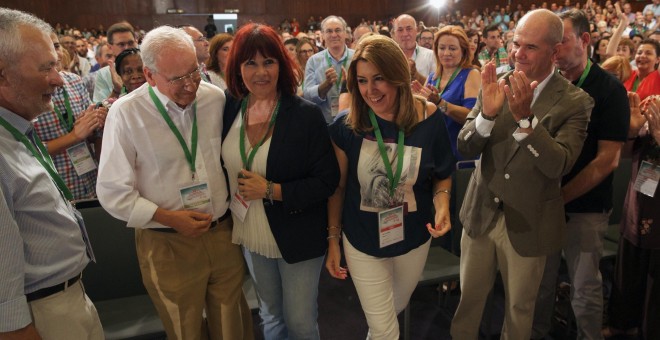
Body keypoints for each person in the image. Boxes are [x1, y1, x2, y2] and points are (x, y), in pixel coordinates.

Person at [96, 25, 253, 340]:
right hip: (166, 242)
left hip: (222, 232)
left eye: (193, 72)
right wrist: (169, 218)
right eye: (177, 78)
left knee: (233, 324)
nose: (190, 85)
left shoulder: (214, 98)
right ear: (150, 75)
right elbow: (113, 193)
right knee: (185, 329)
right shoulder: (126, 114)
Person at [451, 9, 594, 339]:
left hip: (530, 223)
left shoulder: (576, 102)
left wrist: (527, 121)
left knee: (519, 312)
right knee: (468, 303)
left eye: (530, 47)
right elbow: (465, 147)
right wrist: (486, 116)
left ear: (554, 51)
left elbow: (559, 164)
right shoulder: (497, 83)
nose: (517, 53)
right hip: (481, 214)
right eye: (516, 43)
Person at [326, 34, 455, 339]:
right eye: (361, 80)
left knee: (386, 318)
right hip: (363, 241)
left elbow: (442, 174)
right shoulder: (347, 126)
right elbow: (338, 189)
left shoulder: (429, 118)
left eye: (379, 78)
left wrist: (443, 206)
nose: (370, 90)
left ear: (398, 75)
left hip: (413, 237)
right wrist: (333, 239)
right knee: (386, 330)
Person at [222, 23, 339, 340]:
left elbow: (327, 181)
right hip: (250, 232)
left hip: (297, 234)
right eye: (250, 63)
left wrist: (272, 191)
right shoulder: (230, 107)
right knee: (271, 316)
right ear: (238, 68)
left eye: (268, 62)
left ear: (281, 64)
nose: (260, 72)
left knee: (300, 322)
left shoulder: (305, 115)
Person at [0, 7, 103, 339]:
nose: (59, 79)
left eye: (57, 65)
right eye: (46, 68)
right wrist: (16, 328)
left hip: (67, 297)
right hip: (38, 314)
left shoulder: (18, 130)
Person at [531, 9, 630, 340]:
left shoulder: (609, 89)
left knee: (584, 288)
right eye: (553, 43)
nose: (555, 50)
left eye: (564, 41)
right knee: (539, 286)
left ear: (585, 40)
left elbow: (607, 161)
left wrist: (560, 198)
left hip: (585, 206)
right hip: (545, 202)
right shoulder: (547, 85)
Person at [604, 94, 660, 340]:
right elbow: (625, 154)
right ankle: (622, 324)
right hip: (640, 200)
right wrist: (630, 130)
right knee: (629, 267)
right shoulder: (655, 105)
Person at [33, 32, 108, 200]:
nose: (55, 53)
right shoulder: (28, 93)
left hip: (91, 182)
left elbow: (93, 135)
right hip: (56, 191)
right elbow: (28, 150)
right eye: (48, 48)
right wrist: (74, 136)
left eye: (57, 46)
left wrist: (97, 120)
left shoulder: (74, 81)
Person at [413, 25, 481, 160]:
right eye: (442, 48)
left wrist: (440, 103)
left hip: (459, 152)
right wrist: (416, 100)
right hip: (435, 151)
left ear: (463, 50)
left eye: (452, 48)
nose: (446, 53)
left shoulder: (471, 74)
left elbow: (472, 118)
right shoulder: (433, 77)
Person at [303, 15, 355, 123]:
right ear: (322, 35)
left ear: (345, 33)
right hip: (323, 123)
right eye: (329, 31)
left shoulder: (356, 58)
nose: (334, 35)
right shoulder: (313, 61)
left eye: (338, 30)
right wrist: (325, 85)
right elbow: (307, 96)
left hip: (354, 120)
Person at [92, 22, 137, 102]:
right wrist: (116, 91)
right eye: (121, 44)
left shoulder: (148, 67)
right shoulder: (103, 74)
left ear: (136, 42)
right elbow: (100, 110)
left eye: (130, 43)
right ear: (110, 47)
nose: (127, 48)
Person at [392, 14, 437, 83]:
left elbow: (436, 85)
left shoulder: (431, 55)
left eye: (409, 29)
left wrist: (416, 75)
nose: (405, 34)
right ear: (395, 33)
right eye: (400, 30)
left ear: (416, 31)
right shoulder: (389, 56)